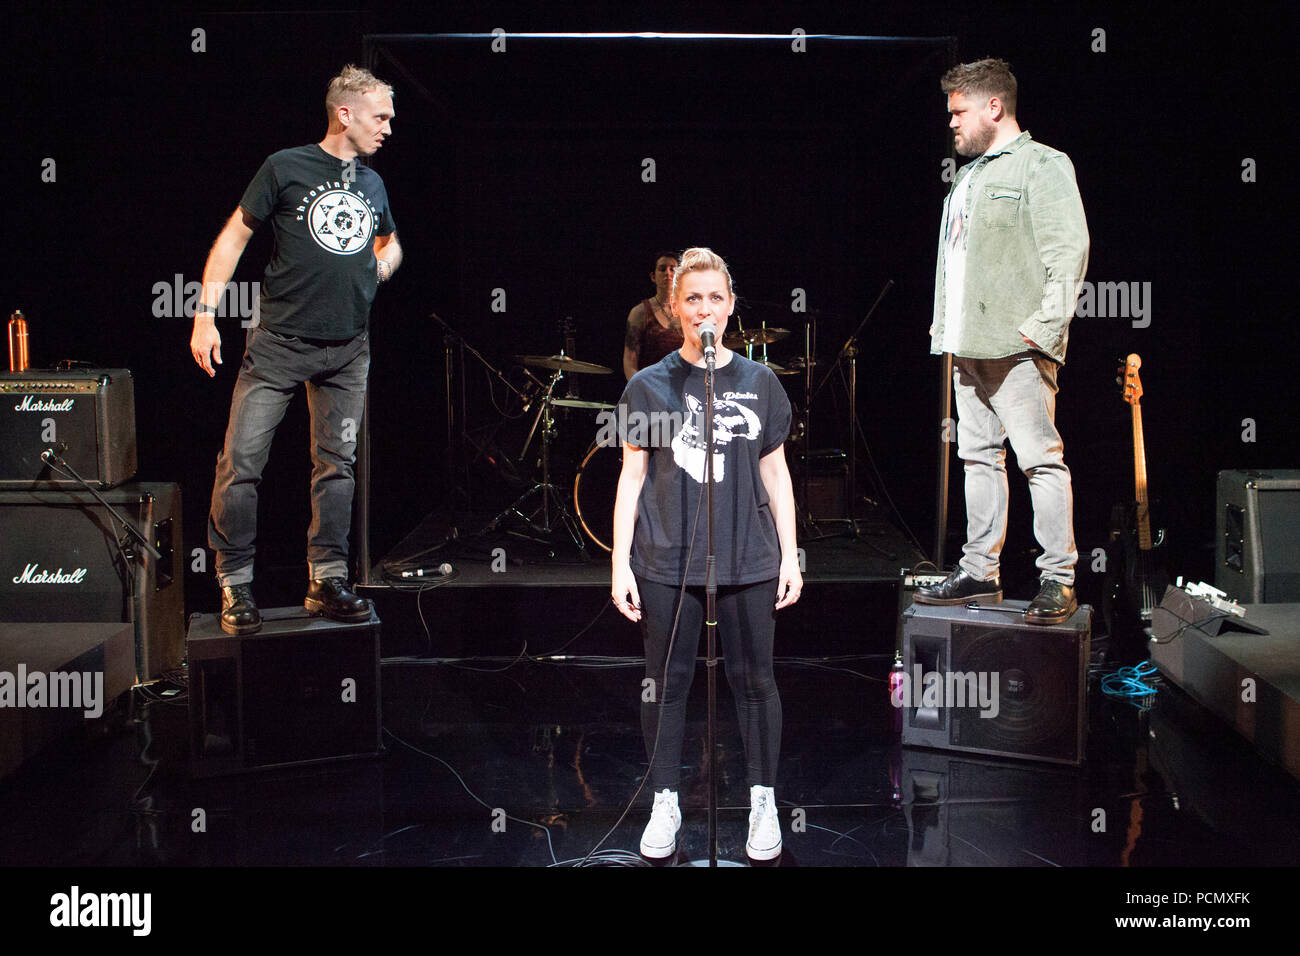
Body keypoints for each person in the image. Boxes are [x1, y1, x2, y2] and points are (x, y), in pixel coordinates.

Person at [190, 64, 401, 636]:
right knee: (242, 464)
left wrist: (386, 261)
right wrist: (205, 315)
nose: (387, 128)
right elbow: (235, 235)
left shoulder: (373, 182)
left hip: (348, 350)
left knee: (337, 466)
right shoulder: (285, 166)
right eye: (380, 117)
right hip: (279, 344)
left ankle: (326, 580)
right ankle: (236, 584)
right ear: (345, 113)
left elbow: (389, 239)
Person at [611, 247, 802, 863]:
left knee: (754, 682)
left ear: (730, 306)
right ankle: (664, 798)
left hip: (748, 554)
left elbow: (778, 477)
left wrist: (791, 555)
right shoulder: (650, 385)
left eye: (714, 298)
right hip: (668, 556)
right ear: (674, 307)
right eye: (692, 298)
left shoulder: (758, 381)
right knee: (666, 685)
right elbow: (631, 479)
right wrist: (619, 564)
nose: (703, 309)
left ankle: (763, 800)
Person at [915, 58, 1089, 625]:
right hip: (967, 343)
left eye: (959, 112)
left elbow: (1070, 254)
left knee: (1039, 459)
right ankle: (978, 570)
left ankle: (1058, 577)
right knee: (977, 458)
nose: (952, 123)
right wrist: (947, 330)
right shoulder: (966, 178)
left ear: (995, 107)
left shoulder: (1043, 166)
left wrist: (1040, 330)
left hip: (1017, 346)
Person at [622, 252, 683, 380]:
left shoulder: (688, 311)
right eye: (662, 269)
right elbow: (629, 360)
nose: (668, 273)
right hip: (652, 387)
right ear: (653, 277)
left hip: (684, 389)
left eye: (673, 269)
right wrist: (639, 389)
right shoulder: (640, 312)